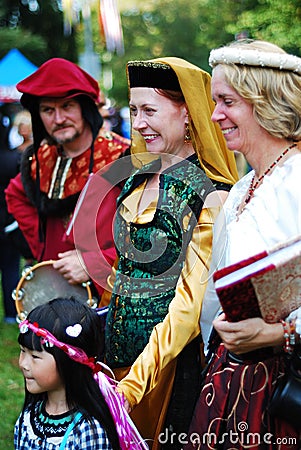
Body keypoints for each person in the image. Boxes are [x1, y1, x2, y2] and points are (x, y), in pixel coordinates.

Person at [103, 57, 238, 448]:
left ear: (188, 115)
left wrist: (133, 386)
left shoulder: (211, 193)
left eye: (150, 110)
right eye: (133, 110)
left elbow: (189, 308)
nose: (139, 122)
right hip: (118, 363)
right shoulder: (135, 179)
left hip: (171, 374)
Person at [185, 39, 301, 449]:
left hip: (289, 388)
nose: (215, 115)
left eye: (227, 101)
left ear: (265, 100)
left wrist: (278, 335)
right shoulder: (240, 189)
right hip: (229, 380)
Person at [5, 58, 129, 300]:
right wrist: (43, 247)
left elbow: (149, 236)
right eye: (48, 110)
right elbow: (15, 193)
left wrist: (94, 262)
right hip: (54, 291)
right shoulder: (40, 159)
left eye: (67, 106)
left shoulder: (122, 157)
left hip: (109, 294)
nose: (58, 118)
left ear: (85, 107)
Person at [15, 297, 147, 449]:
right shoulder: (29, 417)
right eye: (22, 351)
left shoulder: (88, 430)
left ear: (69, 362)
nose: (24, 363)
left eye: (35, 357)